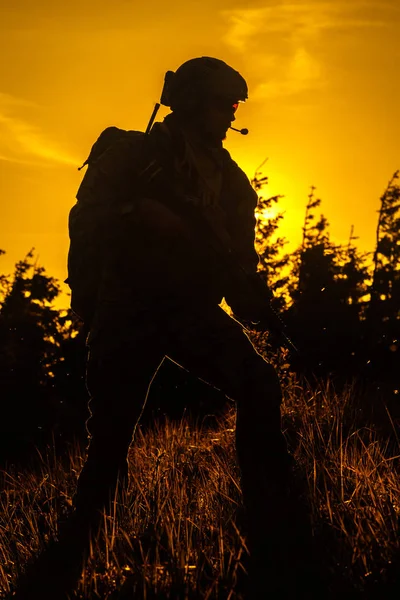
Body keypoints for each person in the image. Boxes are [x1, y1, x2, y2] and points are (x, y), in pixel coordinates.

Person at [13, 57, 294, 599]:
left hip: (190, 309)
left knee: (260, 386)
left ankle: (272, 513)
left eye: (233, 104)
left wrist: (262, 312)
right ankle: (82, 554)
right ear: (191, 101)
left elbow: (240, 267)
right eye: (222, 102)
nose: (230, 113)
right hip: (127, 308)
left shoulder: (233, 185)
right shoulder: (133, 156)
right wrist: (134, 219)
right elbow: (85, 218)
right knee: (111, 441)